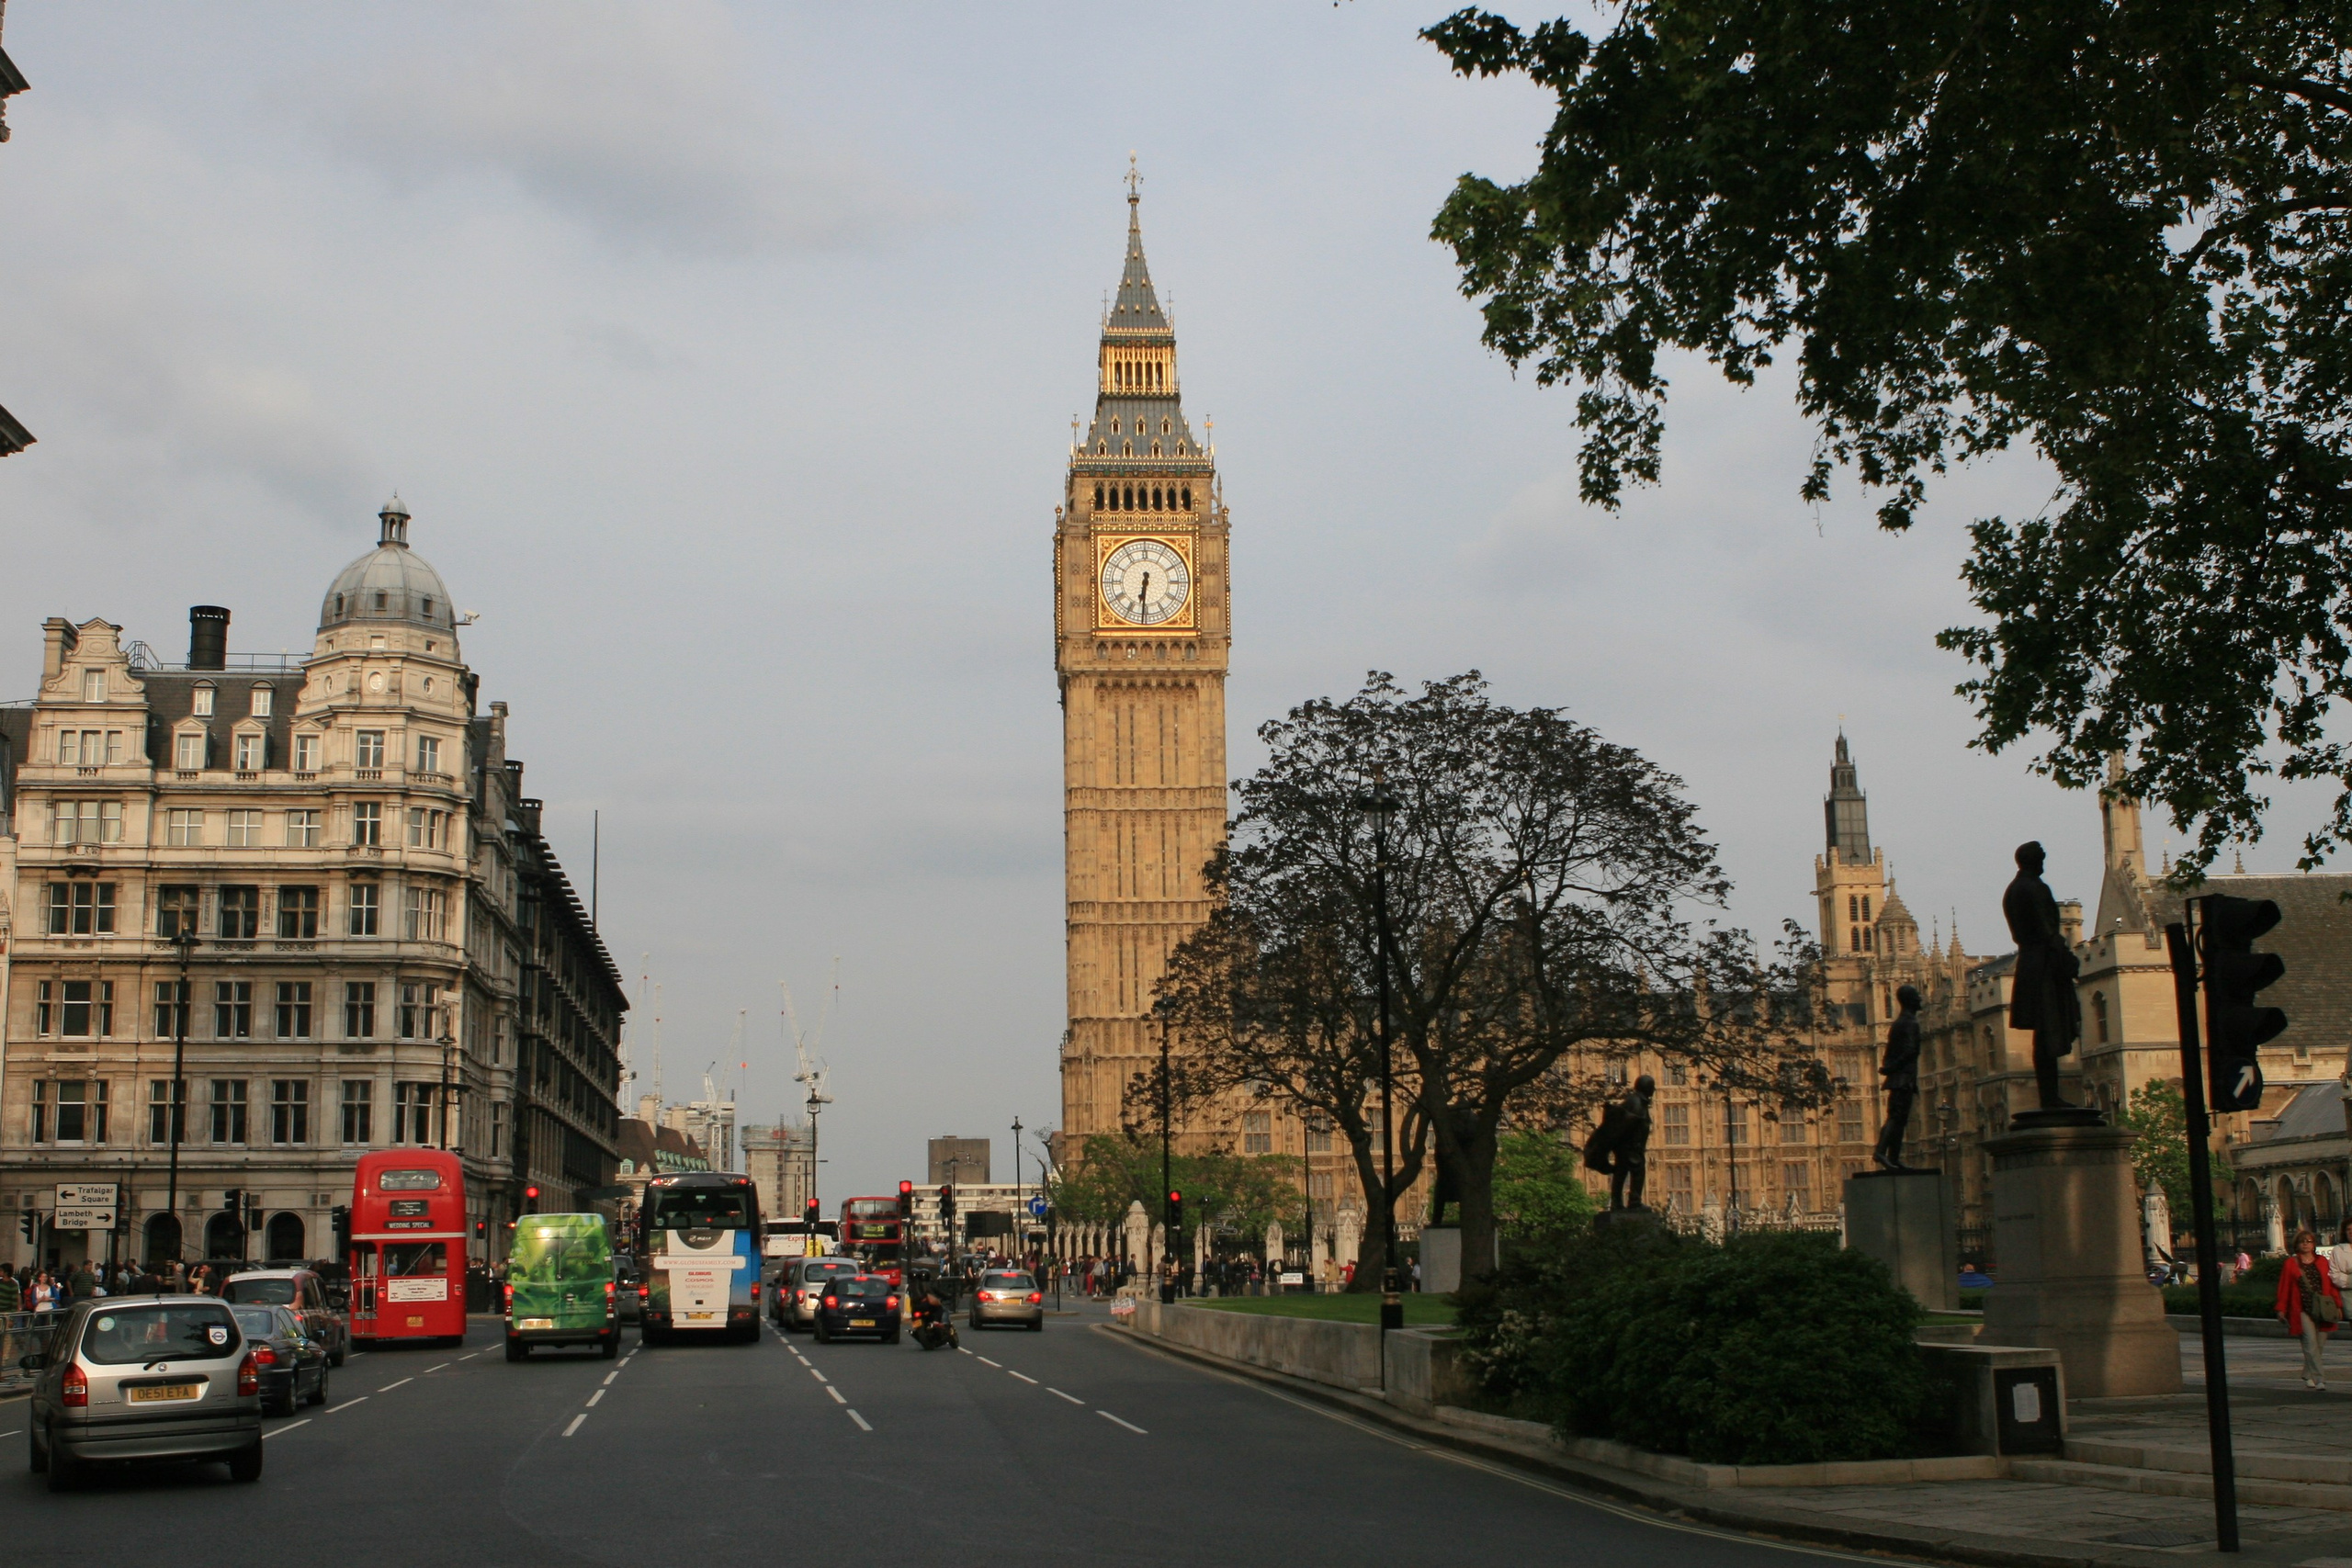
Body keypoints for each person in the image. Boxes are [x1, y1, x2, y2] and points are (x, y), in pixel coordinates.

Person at [2278, 1229, 2345, 1391]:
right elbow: (2284, 1287)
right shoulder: (2291, 1264)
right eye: (2302, 1242)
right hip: (2302, 1308)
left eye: (2309, 1241)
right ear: (2297, 1245)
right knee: (2310, 1342)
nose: (2305, 1244)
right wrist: (2281, 1308)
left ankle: (2307, 1374)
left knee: (2319, 1344)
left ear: (2314, 1244)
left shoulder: (2322, 1261)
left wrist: (2338, 1305)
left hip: (2323, 1308)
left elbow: (2331, 1285)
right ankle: (2319, 1379)